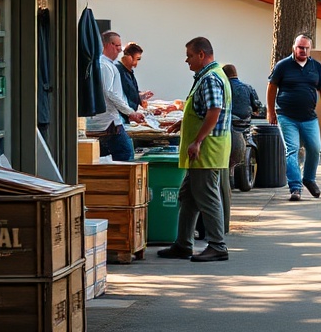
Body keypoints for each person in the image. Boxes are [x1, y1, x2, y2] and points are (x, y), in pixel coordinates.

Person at [158, 36, 233, 262]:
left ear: (202, 54)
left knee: (207, 197)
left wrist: (198, 140)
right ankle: (183, 244)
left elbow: (214, 110)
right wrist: (184, 122)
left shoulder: (210, 78)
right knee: (188, 195)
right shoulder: (210, 75)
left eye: (190, 55)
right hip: (206, 149)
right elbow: (204, 110)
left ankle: (217, 245)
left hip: (207, 150)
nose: (186, 60)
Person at [267, 33, 321, 201]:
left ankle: (309, 179)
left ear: (310, 49)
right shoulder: (283, 66)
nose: (303, 50)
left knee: (315, 148)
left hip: (309, 117)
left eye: (306, 48)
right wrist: (270, 111)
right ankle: (295, 188)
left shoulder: (316, 67)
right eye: (300, 47)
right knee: (292, 150)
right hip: (286, 116)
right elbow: (271, 87)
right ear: (294, 47)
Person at [86, 30, 144, 161]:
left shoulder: (106, 65)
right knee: (126, 154)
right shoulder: (104, 66)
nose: (119, 50)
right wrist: (130, 112)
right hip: (108, 122)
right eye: (117, 46)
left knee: (105, 157)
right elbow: (109, 92)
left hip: (107, 121)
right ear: (107, 45)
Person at [115, 42, 155, 115]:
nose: (136, 64)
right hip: (122, 115)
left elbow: (131, 92)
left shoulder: (129, 73)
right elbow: (119, 96)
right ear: (128, 58)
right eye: (137, 59)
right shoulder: (118, 71)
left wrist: (141, 95)